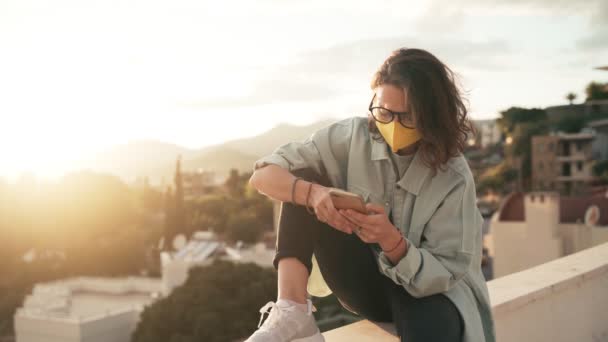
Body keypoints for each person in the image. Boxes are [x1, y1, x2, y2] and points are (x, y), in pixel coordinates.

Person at [245, 48, 496, 342]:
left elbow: (447, 272)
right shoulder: (352, 137)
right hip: (365, 281)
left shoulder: (453, 176)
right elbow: (263, 175)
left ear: (431, 116)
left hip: (431, 292)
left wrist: (392, 242)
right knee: (304, 177)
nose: (392, 125)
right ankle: (293, 312)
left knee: (433, 331)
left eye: (407, 117)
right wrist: (312, 193)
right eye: (384, 112)